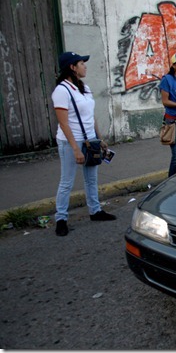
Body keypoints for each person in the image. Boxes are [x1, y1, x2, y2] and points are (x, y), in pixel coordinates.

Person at [51, 52, 116, 236]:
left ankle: (95, 211)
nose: (85, 66)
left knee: (91, 179)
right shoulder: (62, 91)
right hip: (71, 141)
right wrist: (74, 148)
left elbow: (90, 116)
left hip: (90, 140)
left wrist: (99, 138)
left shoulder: (84, 88)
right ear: (72, 67)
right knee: (67, 182)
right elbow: (63, 123)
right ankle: (61, 219)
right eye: (81, 63)